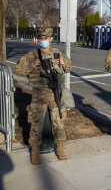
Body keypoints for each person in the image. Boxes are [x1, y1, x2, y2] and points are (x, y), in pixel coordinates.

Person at [15, 28, 72, 165]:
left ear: (51, 39)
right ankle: (35, 152)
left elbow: (69, 67)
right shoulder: (32, 55)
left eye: (46, 38)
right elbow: (19, 71)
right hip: (39, 93)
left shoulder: (57, 54)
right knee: (36, 123)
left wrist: (63, 64)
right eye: (41, 38)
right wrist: (32, 65)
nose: (43, 40)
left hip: (55, 93)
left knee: (58, 121)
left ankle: (61, 149)